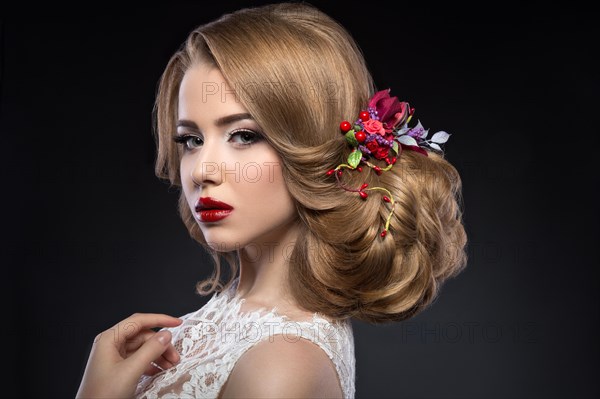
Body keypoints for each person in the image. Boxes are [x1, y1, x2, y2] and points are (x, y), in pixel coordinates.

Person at [76, 2, 468, 398]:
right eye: (192, 140)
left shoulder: (281, 364)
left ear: (313, 148)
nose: (200, 171)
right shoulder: (228, 321)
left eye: (244, 135)